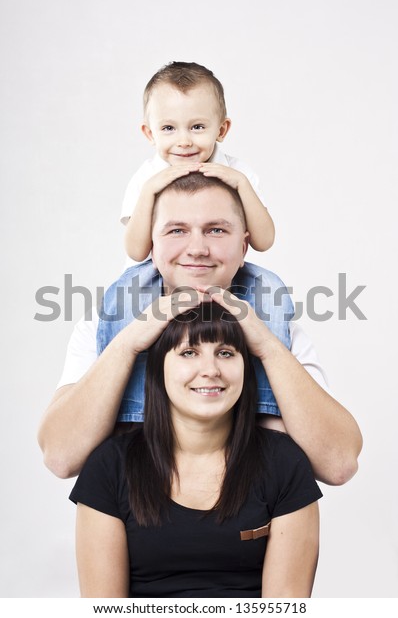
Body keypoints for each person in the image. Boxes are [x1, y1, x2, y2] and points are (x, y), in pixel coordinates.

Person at [37, 173, 363, 486]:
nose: (197, 249)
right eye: (177, 230)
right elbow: (61, 458)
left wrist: (265, 345)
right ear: (151, 243)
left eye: (216, 231)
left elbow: (339, 464)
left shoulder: (276, 324)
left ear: (244, 246)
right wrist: (127, 345)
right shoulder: (105, 323)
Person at [70, 301, 322, 598]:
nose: (210, 370)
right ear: (158, 368)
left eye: (225, 353)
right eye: (189, 352)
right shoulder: (109, 466)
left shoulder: (285, 463)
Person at [122, 61, 275, 266]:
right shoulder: (146, 178)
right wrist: (149, 191)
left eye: (197, 127)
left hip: (215, 270)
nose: (184, 141)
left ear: (221, 130)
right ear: (150, 134)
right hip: (156, 274)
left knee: (268, 285)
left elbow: (264, 242)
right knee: (124, 292)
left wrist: (242, 185)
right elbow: (136, 252)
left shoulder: (237, 173)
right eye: (168, 128)